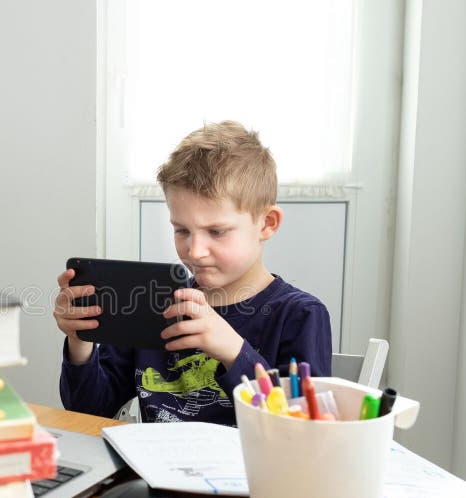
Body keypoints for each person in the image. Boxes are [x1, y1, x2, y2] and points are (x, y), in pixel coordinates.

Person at [54, 121, 332, 425]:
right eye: (182, 230)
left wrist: (234, 352)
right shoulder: (149, 303)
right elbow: (89, 411)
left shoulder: (300, 315)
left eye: (216, 231)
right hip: (152, 471)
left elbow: (303, 432)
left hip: (251, 472)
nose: (195, 250)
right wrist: (81, 340)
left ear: (267, 223)